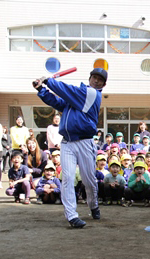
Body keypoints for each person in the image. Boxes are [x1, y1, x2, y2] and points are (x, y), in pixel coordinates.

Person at [34, 67, 107, 228]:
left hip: (84, 142)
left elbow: (67, 90)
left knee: (88, 180)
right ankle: (72, 216)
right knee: (67, 178)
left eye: (100, 80)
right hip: (67, 142)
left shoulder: (92, 94)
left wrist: (49, 81)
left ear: (103, 85)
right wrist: (41, 89)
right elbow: (57, 102)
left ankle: (93, 205)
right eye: (94, 77)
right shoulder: (76, 97)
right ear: (89, 78)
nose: (96, 80)